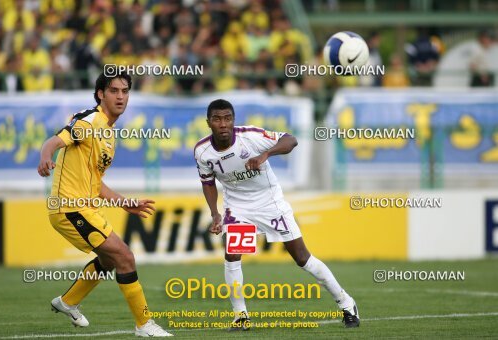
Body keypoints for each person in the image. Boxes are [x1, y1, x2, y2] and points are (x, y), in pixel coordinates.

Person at [194, 99, 360, 330]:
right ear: (208, 122)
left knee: (303, 259)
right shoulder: (202, 152)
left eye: (227, 118)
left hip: (270, 202)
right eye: (217, 119)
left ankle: (346, 303)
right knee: (232, 255)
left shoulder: (251, 136)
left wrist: (266, 155)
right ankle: (240, 316)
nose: (223, 124)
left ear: (233, 120)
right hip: (238, 208)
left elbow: (291, 140)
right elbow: (208, 182)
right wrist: (215, 213)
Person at [37, 72, 172, 337]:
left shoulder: (108, 134)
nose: (120, 96)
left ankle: (68, 302)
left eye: (125, 91)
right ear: (101, 94)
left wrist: (125, 203)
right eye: (114, 91)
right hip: (69, 207)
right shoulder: (89, 121)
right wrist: (45, 156)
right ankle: (144, 324)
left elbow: (96, 184)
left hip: (85, 207)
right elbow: (54, 141)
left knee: (109, 260)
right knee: (124, 256)